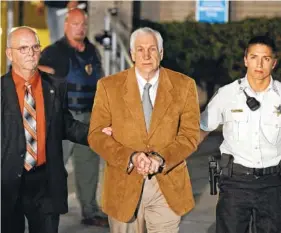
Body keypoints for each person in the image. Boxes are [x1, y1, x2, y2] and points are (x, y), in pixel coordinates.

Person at [88, 27, 200, 233]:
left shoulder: (184, 86)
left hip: (167, 184)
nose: (146, 55)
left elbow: (190, 135)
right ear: (132, 54)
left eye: (152, 49)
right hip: (124, 183)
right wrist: (130, 157)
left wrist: (160, 159)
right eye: (140, 50)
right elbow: (95, 135)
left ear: (161, 53)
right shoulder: (108, 87)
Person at [1, 26, 89, 233]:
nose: (31, 53)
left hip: (46, 182)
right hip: (8, 183)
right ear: (9, 53)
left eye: (34, 47)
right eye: (23, 48)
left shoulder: (55, 86)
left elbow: (65, 125)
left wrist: (96, 133)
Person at [200, 35, 281, 233]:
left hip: (274, 183)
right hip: (236, 182)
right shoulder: (227, 95)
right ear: (245, 59)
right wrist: (171, 157)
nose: (259, 64)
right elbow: (202, 129)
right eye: (254, 57)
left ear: (274, 63)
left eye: (266, 58)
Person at [39, 8, 107, 227]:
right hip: (63, 119)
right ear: (66, 25)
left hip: (89, 118)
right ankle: (45, 210)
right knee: (54, 168)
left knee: (88, 167)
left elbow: (101, 83)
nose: (80, 28)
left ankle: (90, 210)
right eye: (76, 24)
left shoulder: (92, 52)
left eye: (83, 24)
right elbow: (36, 76)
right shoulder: (54, 52)